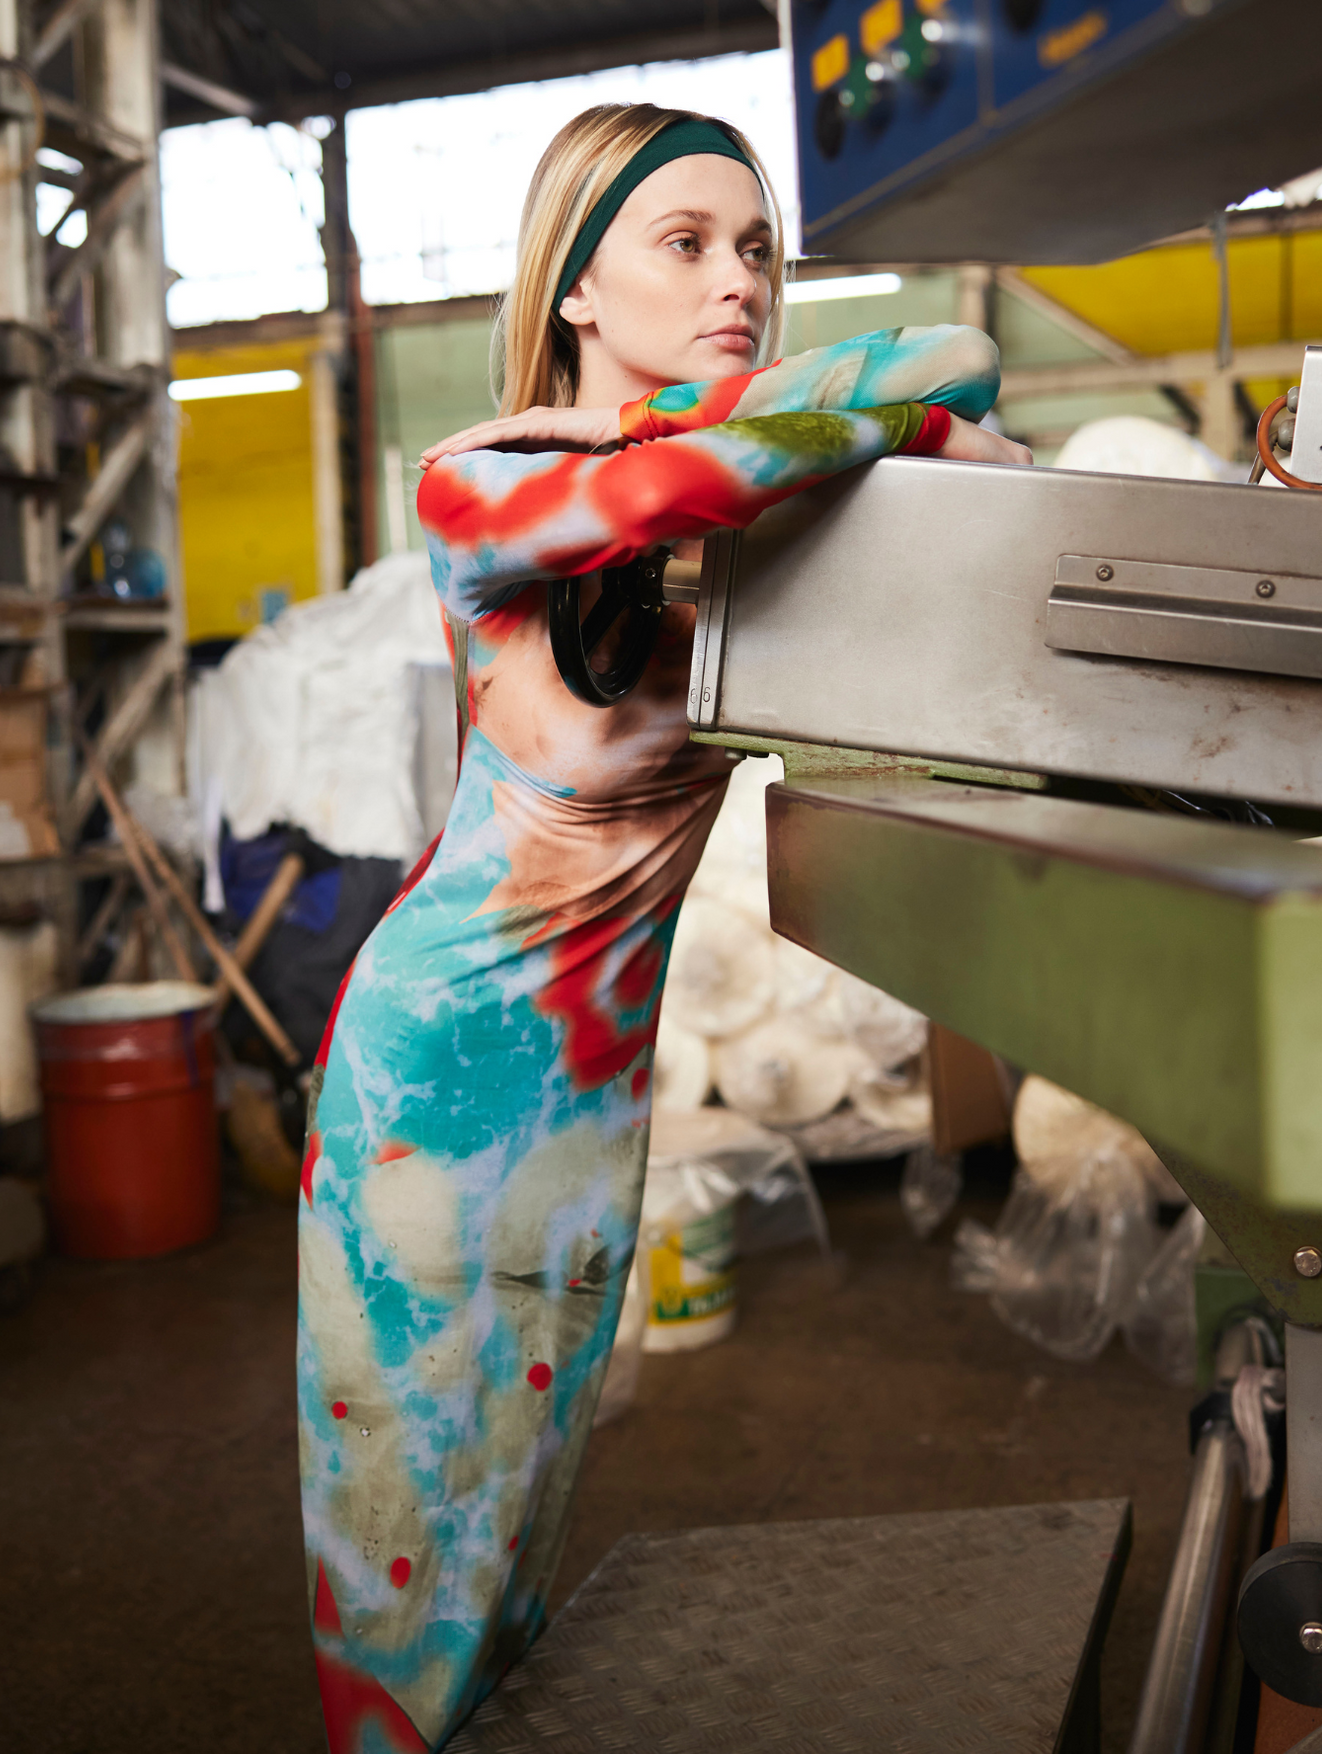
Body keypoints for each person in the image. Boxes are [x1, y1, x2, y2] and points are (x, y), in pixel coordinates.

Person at [297, 102, 1030, 1753]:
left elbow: (959, 352)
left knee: (515, 1542)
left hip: (590, 1097)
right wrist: (892, 430)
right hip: (430, 1092)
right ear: (575, 287)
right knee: (407, 1591)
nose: (741, 283)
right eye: (685, 245)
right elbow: (749, 452)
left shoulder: (724, 529)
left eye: (759, 250)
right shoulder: (479, 484)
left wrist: (908, 425)